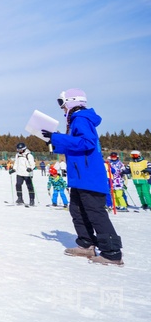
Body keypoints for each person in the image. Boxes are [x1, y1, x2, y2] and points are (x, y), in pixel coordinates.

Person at [41, 88, 123, 266]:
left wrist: (58, 138)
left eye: (63, 104)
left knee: (95, 212)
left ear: (71, 101)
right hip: (79, 176)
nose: (62, 108)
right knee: (77, 210)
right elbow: (76, 146)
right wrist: (54, 141)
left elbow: (87, 143)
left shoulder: (81, 119)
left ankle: (112, 252)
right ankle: (86, 244)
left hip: (88, 176)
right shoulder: (76, 120)